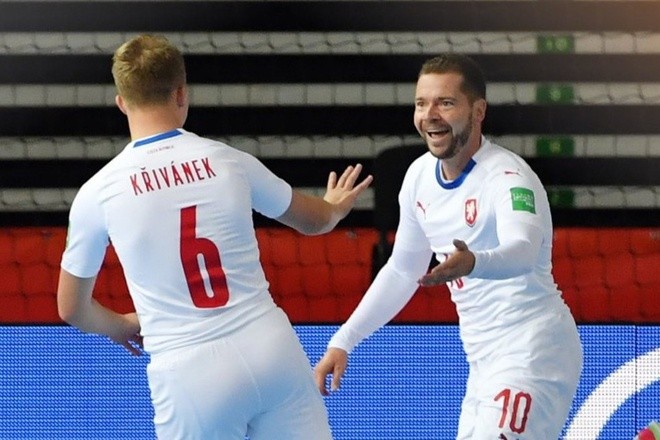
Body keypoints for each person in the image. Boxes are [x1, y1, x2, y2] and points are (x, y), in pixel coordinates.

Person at [57, 34, 372, 440]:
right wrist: (334, 204)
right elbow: (316, 221)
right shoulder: (229, 161)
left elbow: (71, 308)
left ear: (121, 102)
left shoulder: (98, 192)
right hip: (271, 347)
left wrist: (120, 325)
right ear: (182, 93)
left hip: (189, 371)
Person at [314, 53, 583, 439]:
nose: (430, 114)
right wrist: (343, 341)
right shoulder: (419, 176)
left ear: (478, 111)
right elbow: (404, 269)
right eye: (421, 103)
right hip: (482, 364)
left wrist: (474, 262)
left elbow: (523, 250)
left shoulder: (509, 177)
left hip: (533, 354)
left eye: (445, 102)